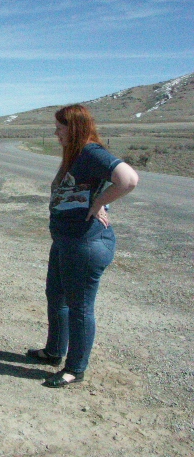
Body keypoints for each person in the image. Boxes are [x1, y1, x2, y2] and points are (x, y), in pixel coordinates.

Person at [28, 104, 139, 388]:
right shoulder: (76, 154)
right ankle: (54, 351)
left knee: (80, 307)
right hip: (66, 241)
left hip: (85, 243)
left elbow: (128, 180)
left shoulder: (91, 152)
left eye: (60, 128)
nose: (56, 133)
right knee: (56, 297)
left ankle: (75, 369)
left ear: (74, 128)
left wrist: (100, 202)